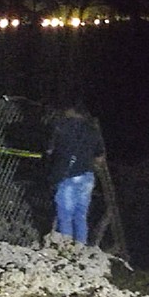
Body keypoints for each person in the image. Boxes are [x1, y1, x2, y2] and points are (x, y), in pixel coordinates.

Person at [45, 100, 105, 245]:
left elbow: (50, 151)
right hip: (87, 177)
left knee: (65, 215)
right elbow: (99, 157)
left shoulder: (62, 126)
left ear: (70, 111)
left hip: (69, 176)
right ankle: (80, 247)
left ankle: (64, 247)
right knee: (80, 215)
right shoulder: (93, 130)